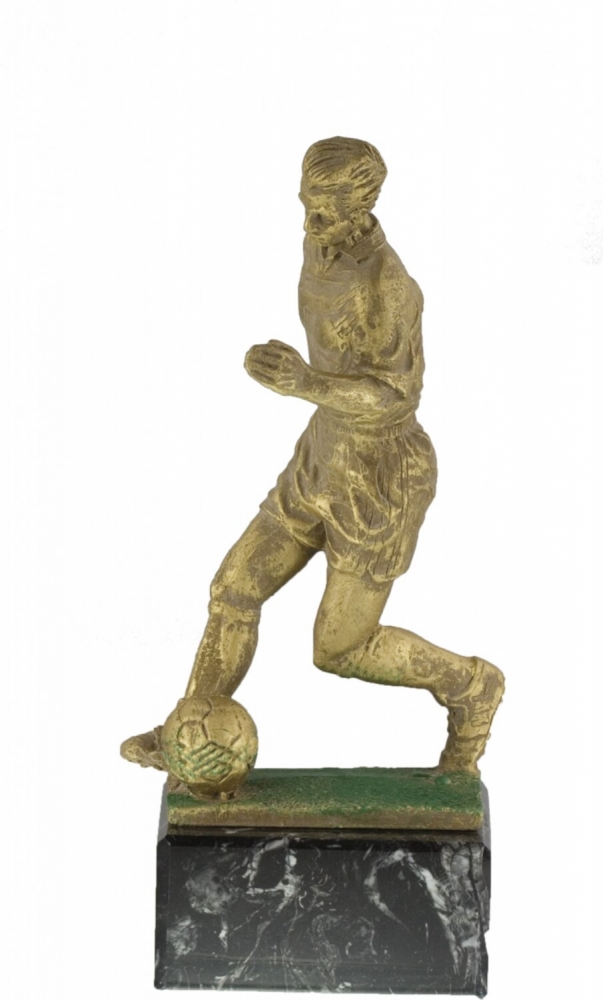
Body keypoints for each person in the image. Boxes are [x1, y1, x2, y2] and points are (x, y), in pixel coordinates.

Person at [123, 137, 503, 776]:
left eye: (325, 211)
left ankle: (471, 685)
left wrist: (305, 382)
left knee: (339, 649)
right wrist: (292, 375)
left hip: (381, 475)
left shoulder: (390, 286)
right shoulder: (319, 246)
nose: (310, 222)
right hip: (322, 455)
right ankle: (188, 733)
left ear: (365, 205)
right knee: (233, 589)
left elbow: (396, 396)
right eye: (305, 205)